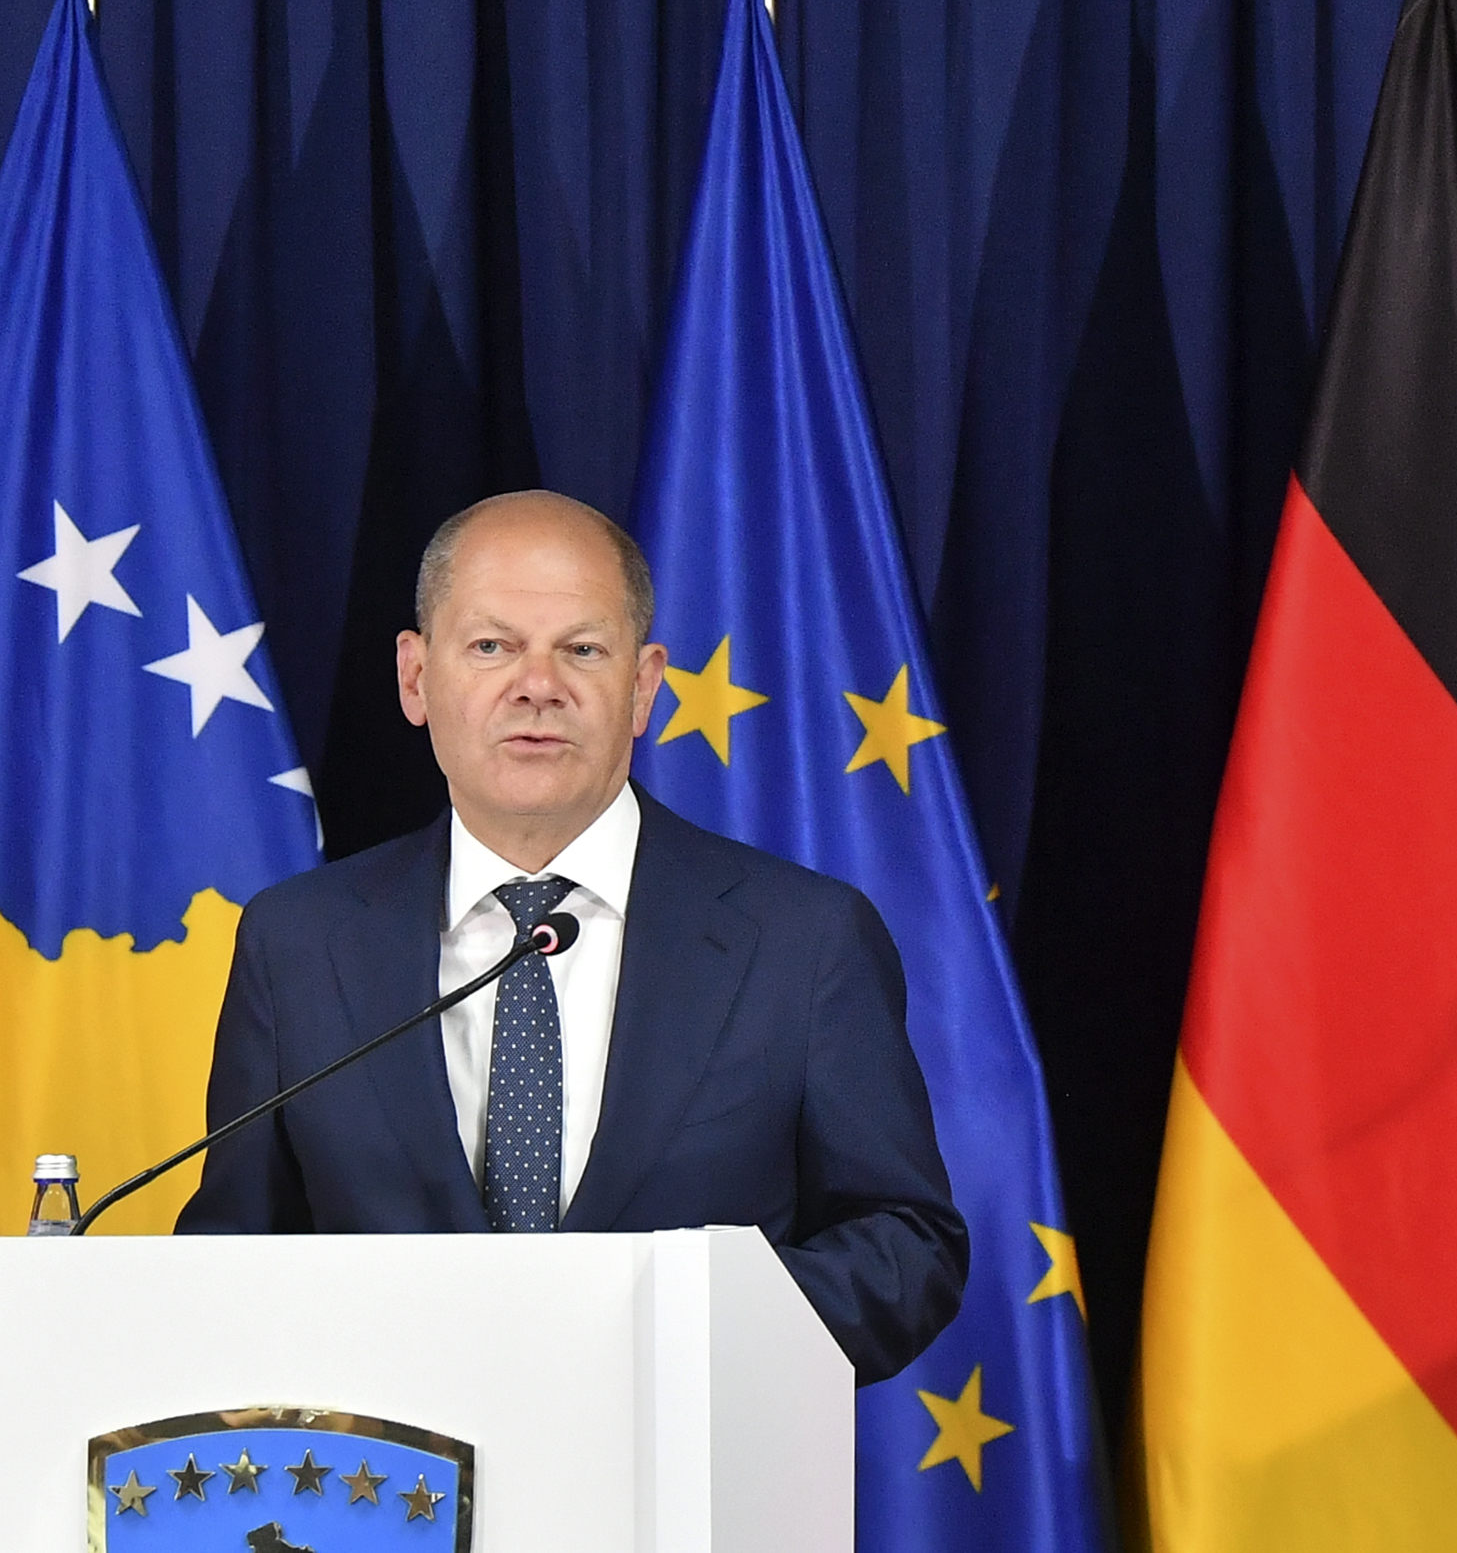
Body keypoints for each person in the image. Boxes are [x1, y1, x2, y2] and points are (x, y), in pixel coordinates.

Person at [180, 490, 966, 1383]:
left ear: (642, 686)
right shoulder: (299, 941)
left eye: (582, 649)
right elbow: (230, 1255)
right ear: (414, 677)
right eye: (491, 646)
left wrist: (681, 1340)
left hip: (687, 1488)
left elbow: (905, 1245)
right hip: (389, 1494)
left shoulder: (805, 938)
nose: (538, 685)